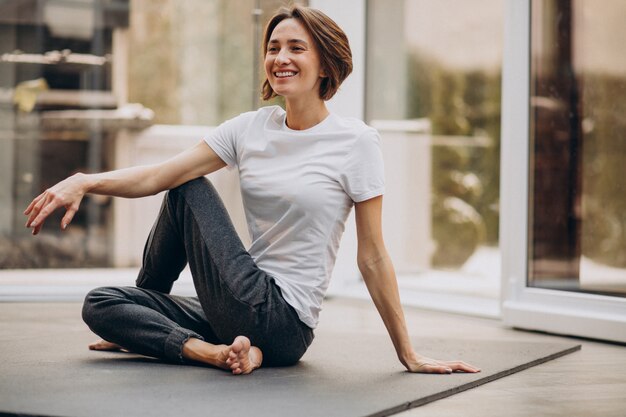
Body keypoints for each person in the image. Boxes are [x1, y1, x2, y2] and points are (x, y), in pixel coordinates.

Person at [24, 5, 480, 376]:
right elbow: (156, 174)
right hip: (238, 308)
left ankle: (209, 342)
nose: (281, 57)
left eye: (296, 48)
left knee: (189, 190)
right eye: (274, 47)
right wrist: (83, 180)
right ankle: (213, 349)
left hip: (285, 321)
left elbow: (373, 255)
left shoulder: (356, 143)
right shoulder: (250, 129)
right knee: (101, 302)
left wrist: (408, 352)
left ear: (325, 62)